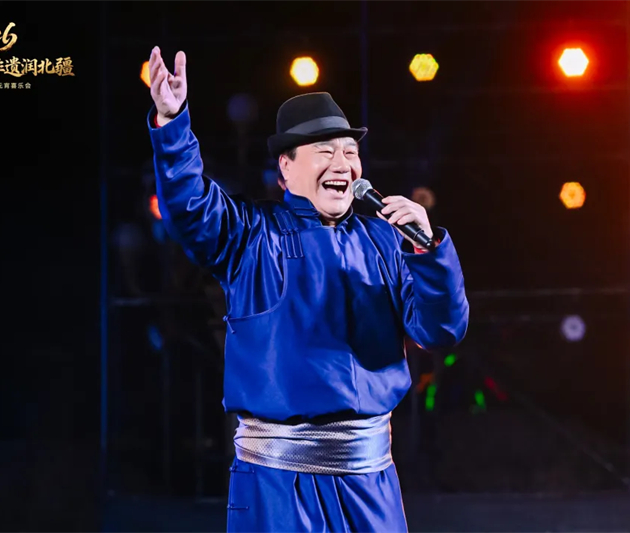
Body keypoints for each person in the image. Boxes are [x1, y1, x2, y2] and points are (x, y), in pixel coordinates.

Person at [145, 46, 469, 533]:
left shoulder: (385, 240)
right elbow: (190, 205)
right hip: (277, 485)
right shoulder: (251, 234)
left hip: (369, 483)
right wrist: (172, 124)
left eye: (350, 153)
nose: (342, 163)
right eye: (324, 151)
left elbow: (442, 331)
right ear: (286, 168)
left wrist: (430, 251)